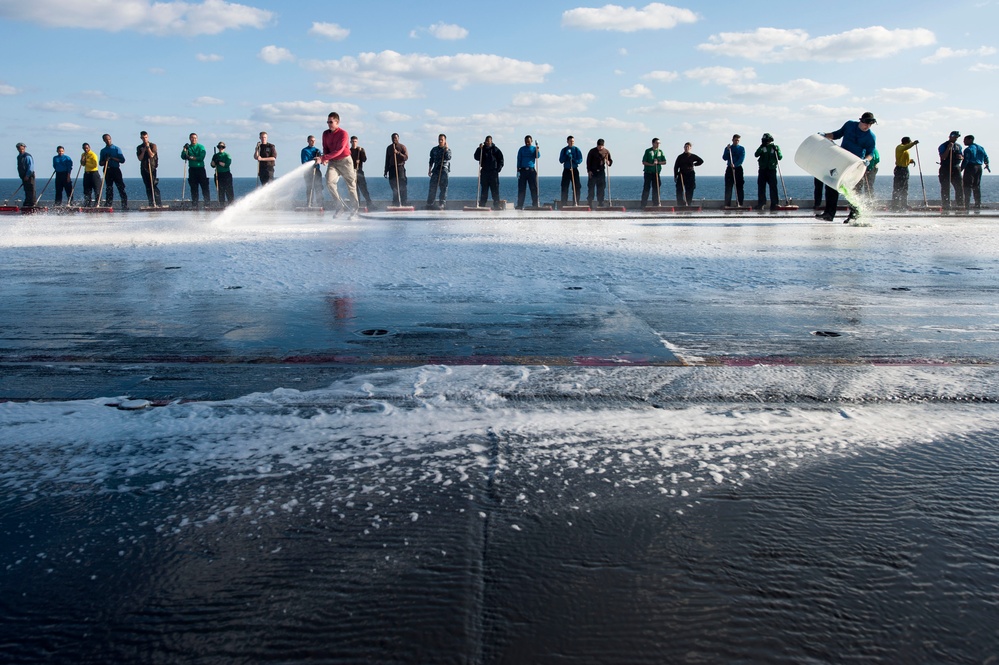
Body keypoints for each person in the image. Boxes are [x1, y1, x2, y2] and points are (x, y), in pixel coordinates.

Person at [816, 112, 876, 222]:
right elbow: (837, 134)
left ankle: (854, 216)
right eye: (866, 123)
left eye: (870, 124)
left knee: (853, 190)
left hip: (856, 166)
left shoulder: (870, 137)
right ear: (861, 120)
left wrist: (866, 160)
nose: (867, 126)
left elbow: (871, 153)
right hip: (841, 161)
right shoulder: (849, 125)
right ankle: (829, 214)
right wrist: (825, 135)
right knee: (831, 186)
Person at [318, 111, 359, 217]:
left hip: (345, 161)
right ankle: (340, 207)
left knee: (351, 185)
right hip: (333, 162)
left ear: (337, 122)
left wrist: (324, 157)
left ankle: (354, 208)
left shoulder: (343, 134)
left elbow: (340, 150)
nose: (328, 124)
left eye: (331, 122)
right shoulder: (325, 134)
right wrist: (325, 159)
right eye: (327, 122)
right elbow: (325, 148)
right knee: (329, 182)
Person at [473, 136, 504, 209]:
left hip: (493, 172)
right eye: (486, 141)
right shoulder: (482, 149)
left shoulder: (496, 150)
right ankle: (482, 205)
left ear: (491, 141)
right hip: (485, 172)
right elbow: (476, 157)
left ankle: (496, 205)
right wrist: (479, 149)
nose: (486, 142)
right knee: (484, 190)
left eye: (488, 141)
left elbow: (501, 160)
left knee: (495, 190)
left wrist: (498, 169)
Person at [99, 133, 127, 209]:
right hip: (107, 170)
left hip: (116, 170)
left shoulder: (116, 149)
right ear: (104, 140)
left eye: (109, 139)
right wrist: (105, 160)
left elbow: (122, 160)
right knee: (109, 188)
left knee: (121, 187)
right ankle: (108, 205)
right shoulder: (103, 151)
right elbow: (100, 163)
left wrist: (112, 158)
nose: (108, 141)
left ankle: (124, 205)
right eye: (106, 140)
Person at [755, 133, 782, 213]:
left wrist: (777, 151)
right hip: (763, 169)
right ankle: (761, 203)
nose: (765, 142)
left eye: (766, 140)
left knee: (773, 187)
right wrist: (761, 147)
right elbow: (756, 154)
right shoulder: (762, 147)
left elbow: (780, 157)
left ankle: (774, 204)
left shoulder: (775, 147)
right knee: (761, 187)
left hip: (771, 169)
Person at [961, 135, 989, 211]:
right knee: (976, 186)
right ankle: (978, 204)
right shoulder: (981, 148)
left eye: (965, 140)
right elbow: (986, 157)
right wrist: (987, 165)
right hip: (979, 167)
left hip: (970, 167)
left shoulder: (968, 150)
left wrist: (961, 169)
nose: (963, 142)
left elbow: (966, 160)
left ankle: (967, 204)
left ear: (970, 140)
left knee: (967, 185)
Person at [181, 133, 210, 208]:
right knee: (193, 188)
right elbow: (183, 156)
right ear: (190, 139)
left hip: (200, 169)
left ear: (197, 139)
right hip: (192, 170)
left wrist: (191, 157)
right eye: (192, 138)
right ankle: (195, 204)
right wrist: (184, 149)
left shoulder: (201, 147)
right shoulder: (188, 147)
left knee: (204, 187)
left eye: (195, 138)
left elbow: (201, 158)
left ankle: (207, 203)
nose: (194, 139)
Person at [938, 130, 963, 211]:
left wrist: (960, 157)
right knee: (945, 187)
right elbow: (943, 157)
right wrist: (948, 148)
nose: (955, 139)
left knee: (959, 186)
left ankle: (960, 204)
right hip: (945, 167)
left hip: (955, 167)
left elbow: (961, 156)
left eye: (956, 137)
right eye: (954, 137)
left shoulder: (958, 146)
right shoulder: (943, 146)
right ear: (950, 136)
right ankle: (946, 204)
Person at [892, 137, 918, 211]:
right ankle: (895, 204)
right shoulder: (900, 147)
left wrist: (910, 161)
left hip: (905, 169)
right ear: (907, 142)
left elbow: (903, 159)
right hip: (900, 169)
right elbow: (907, 146)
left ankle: (904, 204)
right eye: (909, 142)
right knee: (898, 187)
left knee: (905, 188)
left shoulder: (905, 150)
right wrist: (913, 143)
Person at [382, 133, 409, 206]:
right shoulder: (389, 148)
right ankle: (395, 202)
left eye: (395, 138)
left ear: (398, 138)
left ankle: (404, 202)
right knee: (394, 186)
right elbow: (387, 160)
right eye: (393, 138)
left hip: (400, 168)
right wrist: (385, 170)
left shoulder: (402, 147)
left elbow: (406, 157)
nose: (394, 139)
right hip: (392, 168)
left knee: (402, 185)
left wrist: (398, 153)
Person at [674, 142, 703, 206]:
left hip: (690, 174)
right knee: (679, 189)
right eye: (685, 147)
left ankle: (688, 203)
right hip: (681, 174)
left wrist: (695, 164)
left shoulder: (692, 156)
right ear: (684, 148)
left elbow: (701, 161)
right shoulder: (680, 157)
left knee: (690, 189)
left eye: (688, 147)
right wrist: (675, 175)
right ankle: (680, 203)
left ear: (690, 148)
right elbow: (676, 166)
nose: (686, 148)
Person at [136, 131, 161, 207]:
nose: (144, 139)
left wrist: (148, 148)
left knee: (153, 185)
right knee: (148, 187)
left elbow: (152, 155)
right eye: (143, 138)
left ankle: (158, 203)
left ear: (148, 137)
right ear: (141, 138)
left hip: (152, 168)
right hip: (144, 168)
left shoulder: (153, 145)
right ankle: (151, 202)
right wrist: (143, 150)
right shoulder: (139, 147)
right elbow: (140, 158)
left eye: (146, 137)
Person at [426, 133, 451, 210]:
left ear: (445, 141)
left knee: (443, 188)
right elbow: (431, 160)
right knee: (432, 187)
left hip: (444, 170)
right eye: (439, 139)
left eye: (442, 140)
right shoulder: (434, 150)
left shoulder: (448, 150)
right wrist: (429, 169)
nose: (440, 141)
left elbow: (448, 157)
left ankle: (442, 204)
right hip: (436, 170)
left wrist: (446, 149)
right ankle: (430, 203)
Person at [586, 138, 612, 207]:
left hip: (601, 172)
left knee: (601, 188)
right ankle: (590, 202)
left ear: (603, 145)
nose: (600, 148)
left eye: (601, 146)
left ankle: (601, 202)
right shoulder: (592, 151)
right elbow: (588, 162)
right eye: (599, 146)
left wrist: (608, 162)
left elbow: (610, 161)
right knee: (591, 188)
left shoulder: (606, 152)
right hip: (593, 172)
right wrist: (589, 171)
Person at [516, 135, 540, 209]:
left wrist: (537, 150)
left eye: (529, 142)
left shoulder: (533, 148)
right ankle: (520, 204)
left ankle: (535, 203)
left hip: (531, 170)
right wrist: (518, 170)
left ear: (531, 141)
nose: (527, 143)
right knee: (521, 188)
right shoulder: (521, 149)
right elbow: (519, 159)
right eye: (526, 142)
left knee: (533, 188)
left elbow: (537, 156)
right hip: (522, 170)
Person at [350, 135, 374, 210]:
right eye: (353, 141)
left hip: (359, 171)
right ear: (350, 142)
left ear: (357, 142)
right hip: (352, 172)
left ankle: (369, 204)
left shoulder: (360, 150)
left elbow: (364, 159)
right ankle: (357, 204)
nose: (354, 143)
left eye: (355, 141)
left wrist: (362, 152)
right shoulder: (349, 151)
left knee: (364, 189)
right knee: (355, 190)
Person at [640, 138, 665, 208]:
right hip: (648, 172)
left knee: (656, 188)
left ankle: (656, 203)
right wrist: (651, 164)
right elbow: (644, 162)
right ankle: (643, 204)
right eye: (657, 143)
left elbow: (664, 161)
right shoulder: (648, 151)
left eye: (659, 143)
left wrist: (658, 162)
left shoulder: (660, 152)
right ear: (653, 143)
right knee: (646, 188)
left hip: (656, 173)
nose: (658, 145)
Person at [559, 135, 583, 207]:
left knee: (577, 187)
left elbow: (580, 160)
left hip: (574, 169)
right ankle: (564, 203)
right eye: (570, 141)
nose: (571, 143)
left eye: (572, 141)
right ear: (567, 141)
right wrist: (566, 156)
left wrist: (573, 159)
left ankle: (576, 202)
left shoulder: (576, 150)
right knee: (564, 187)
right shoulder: (564, 150)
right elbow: (561, 160)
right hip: (566, 170)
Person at [722, 134, 745, 207]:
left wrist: (735, 164)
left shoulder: (741, 148)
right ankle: (727, 204)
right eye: (735, 140)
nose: (736, 142)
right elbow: (724, 157)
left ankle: (740, 203)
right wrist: (728, 151)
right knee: (728, 186)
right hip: (729, 168)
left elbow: (742, 158)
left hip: (738, 168)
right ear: (732, 140)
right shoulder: (728, 148)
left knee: (739, 187)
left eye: (738, 140)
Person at [210, 141, 234, 206]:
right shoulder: (215, 155)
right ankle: (221, 204)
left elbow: (227, 164)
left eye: (222, 147)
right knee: (220, 190)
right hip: (218, 174)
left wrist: (219, 162)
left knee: (228, 190)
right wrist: (214, 161)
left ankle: (231, 203)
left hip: (226, 174)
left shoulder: (227, 155)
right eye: (219, 147)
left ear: (224, 147)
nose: (221, 148)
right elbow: (212, 165)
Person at [301, 135, 322, 206]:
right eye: (311, 140)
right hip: (308, 171)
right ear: (308, 141)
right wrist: (313, 160)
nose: (313, 142)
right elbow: (304, 162)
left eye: (314, 141)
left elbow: (322, 160)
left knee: (318, 187)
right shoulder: (304, 150)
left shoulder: (318, 150)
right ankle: (309, 203)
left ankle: (320, 203)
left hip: (317, 170)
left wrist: (319, 160)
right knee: (309, 187)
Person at [15, 142, 35, 209]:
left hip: (29, 176)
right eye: (20, 149)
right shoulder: (19, 157)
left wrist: (27, 175)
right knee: (26, 189)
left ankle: (32, 203)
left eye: (22, 149)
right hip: (23, 176)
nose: (21, 150)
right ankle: (27, 202)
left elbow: (30, 167)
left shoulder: (27, 156)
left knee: (31, 189)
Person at [80, 142, 99, 207]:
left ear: (89, 148)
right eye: (84, 148)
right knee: (87, 190)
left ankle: (97, 203)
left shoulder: (93, 154)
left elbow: (95, 165)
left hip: (94, 173)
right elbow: (82, 164)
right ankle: (87, 203)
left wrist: (86, 162)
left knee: (96, 189)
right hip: (87, 173)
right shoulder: (83, 154)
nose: (86, 150)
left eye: (87, 148)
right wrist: (82, 161)